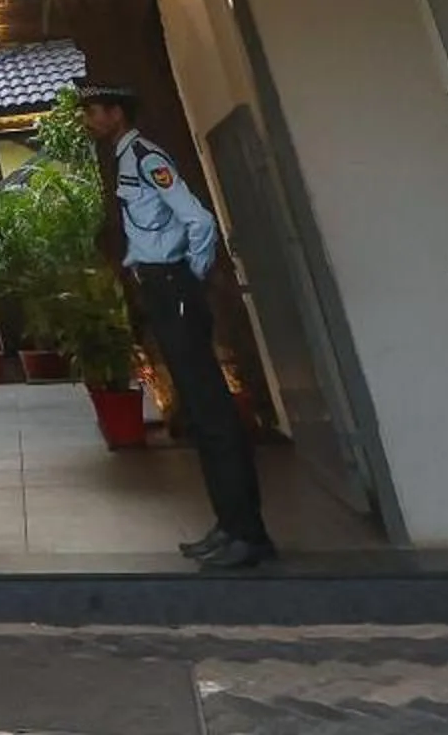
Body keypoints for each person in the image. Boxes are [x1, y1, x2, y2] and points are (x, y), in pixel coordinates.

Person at [76, 83, 274, 570]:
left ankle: (248, 533)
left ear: (116, 113)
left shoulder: (145, 155)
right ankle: (228, 525)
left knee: (212, 410)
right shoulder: (126, 159)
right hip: (161, 286)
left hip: (174, 285)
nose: (88, 121)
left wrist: (190, 273)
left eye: (94, 112)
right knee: (199, 411)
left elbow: (198, 220)